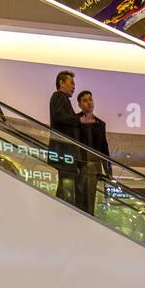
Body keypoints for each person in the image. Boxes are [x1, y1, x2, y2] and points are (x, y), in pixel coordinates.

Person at [48, 70, 83, 208]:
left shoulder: (63, 99)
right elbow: (59, 117)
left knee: (66, 184)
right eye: (71, 83)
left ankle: (61, 210)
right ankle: (62, 211)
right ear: (61, 83)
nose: (74, 87)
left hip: (65, 152)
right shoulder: (58, 97)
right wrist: (79, 120)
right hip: (63, 151)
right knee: (66, 186)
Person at [75, 89, 111, 216]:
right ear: (79, 104)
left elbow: (104, 148)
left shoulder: (100, 124)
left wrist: (109, 172)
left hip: (94, 167)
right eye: (85, 101)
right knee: (77, 200)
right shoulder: (75, 120)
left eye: (90, 99)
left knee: (90, 201)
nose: (89, 103)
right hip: (79, 166)